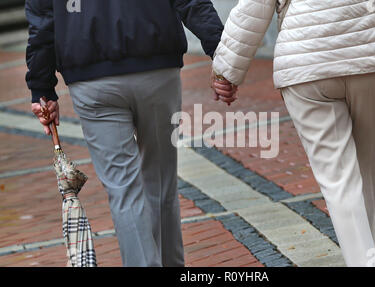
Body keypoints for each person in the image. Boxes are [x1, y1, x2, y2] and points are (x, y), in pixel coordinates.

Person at [211, 0, 375, 266]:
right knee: (372, 165)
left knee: (339, 180)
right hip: (369, 54)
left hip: (306, 63)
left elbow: (253, 6)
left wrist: (226, 72)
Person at [26, 0, 225, 267]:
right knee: (161, 181)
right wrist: (224, 55)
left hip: (91, 79)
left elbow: (42, 19)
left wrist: (41, 88)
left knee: (123, 190)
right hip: (156, 66)